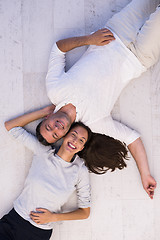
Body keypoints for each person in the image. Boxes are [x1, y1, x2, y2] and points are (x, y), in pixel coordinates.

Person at [35, 0, 160, 199]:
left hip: (115, 32)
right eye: (57, 134)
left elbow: (58, 49)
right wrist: (145, 175)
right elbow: (132, 139)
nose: (56, 128)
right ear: (64, 135)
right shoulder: (94, 122)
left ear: (47, 118)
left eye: (49, 127)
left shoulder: (55, 90)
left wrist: (90, 39)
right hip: (138, 58)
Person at [0, 106, 91, 240]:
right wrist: (44, 113)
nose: (75, 141)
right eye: (73, 135)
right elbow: (11, 126)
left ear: (81, 148)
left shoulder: (80, 171)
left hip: (38, 233)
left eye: (81, 140)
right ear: (65, 135)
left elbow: (85, 212)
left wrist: (54, 217)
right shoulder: (43, 151)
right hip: (13, 221)